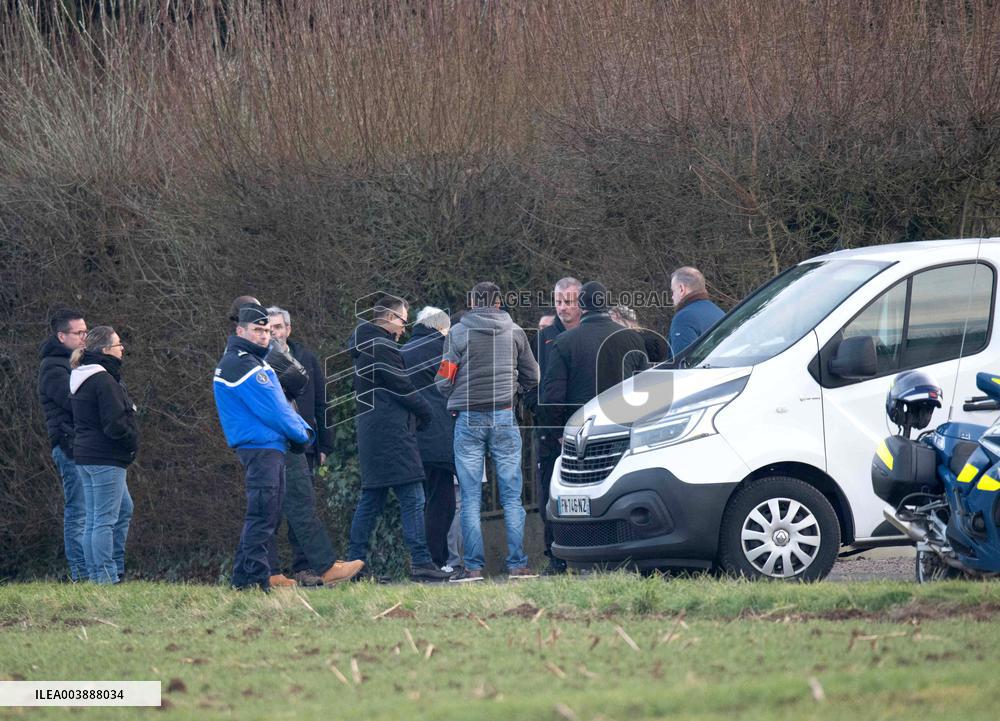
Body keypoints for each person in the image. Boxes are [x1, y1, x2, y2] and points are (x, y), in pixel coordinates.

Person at [436, 282, 540, 582]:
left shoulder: (457, 333)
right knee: (511, 495)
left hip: (468, 419)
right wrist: (515, 387)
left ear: (471, 302)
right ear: (498, 303)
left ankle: (473, 567)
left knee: (469, 498)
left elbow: (443, 381)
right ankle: (518, 565)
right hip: (504, 415)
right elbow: (533, 376)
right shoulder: (516, 332)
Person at [346, 296, 451, 583]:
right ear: (391, 318)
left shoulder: (365, 344)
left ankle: (354, 564)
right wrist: (426, 412)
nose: (404, 328)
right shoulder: (382, 346)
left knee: (372, 499)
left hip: (373, 430)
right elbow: (401, 386)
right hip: (391, 432)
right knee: (413, 497)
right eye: (403, 321)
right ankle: (421, 562)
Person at [214, 303, 315, 591]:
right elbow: (275, 409)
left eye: (268, 331)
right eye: (258, 330)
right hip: (261, 448)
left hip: (265, 446)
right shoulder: (243, 363)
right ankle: (257, 581)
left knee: (265, 514)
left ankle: (243, 579)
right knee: (262, 515)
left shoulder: (248, 360)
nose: (264, 336)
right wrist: (302, 433)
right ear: (240, 330)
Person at [267, 307, 363, 586]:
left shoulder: (305, 358)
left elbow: (321, 402)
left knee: (300, 504)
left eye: (277, 327)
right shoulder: (261, 360)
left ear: (288, 329)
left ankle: (305, 567)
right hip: (278, 441)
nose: (274, 332)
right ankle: (278, 569)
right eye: (268, 328)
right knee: (278, 509)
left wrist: (324, 444)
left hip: (304, 441)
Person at [69, 326, 138, 584]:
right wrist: (131, 440)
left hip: (86, 456)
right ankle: (105, 576)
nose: (122, 349)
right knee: (103, 520)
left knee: (114, 512)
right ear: (106, 350)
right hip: (105, 457)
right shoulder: (104, 380)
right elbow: (114, 424)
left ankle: (106, 571)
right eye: (119, 344)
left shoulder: (83, 376)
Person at [542, 281, 649, 431]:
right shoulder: (633, 338)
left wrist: (558, 431)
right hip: (623, 424)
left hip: (581, 426)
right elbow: (644, 387)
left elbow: (553, 394)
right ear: (606, 303)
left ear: (580, 305)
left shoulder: (565, 341)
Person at [400, 306, 456, 572]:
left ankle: (422, 559)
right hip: (438, 436)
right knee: (441, 502)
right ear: (440, 328)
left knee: (415, 501)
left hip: (408, 437)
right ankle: (435, 560)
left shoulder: (401, 353)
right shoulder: (443, 350)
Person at [533, 277, 580, 575]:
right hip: (550, 430)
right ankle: (554, 555)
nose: (562, 307)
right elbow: (533, 381)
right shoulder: (545, 337)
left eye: (569, 301)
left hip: (583, 424)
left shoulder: (589, 335)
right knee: (549, 493)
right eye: (558, 301)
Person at [38, 308, 89, 581]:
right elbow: (73, 403)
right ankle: (81, 576)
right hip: (69, 446)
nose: (84, 337)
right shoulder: (53, 368)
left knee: (90, 511)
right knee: (78, 511)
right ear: (61, 335)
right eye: (79, 332)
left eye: (86, 332)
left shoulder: (75, 362)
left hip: (84, 445)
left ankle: (96, 573)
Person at [669, 266, 725, 358]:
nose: (672, 297)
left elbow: (682, 363)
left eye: (673, 291)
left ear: (681, 289)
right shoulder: (720, 313)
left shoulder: (684, 318)